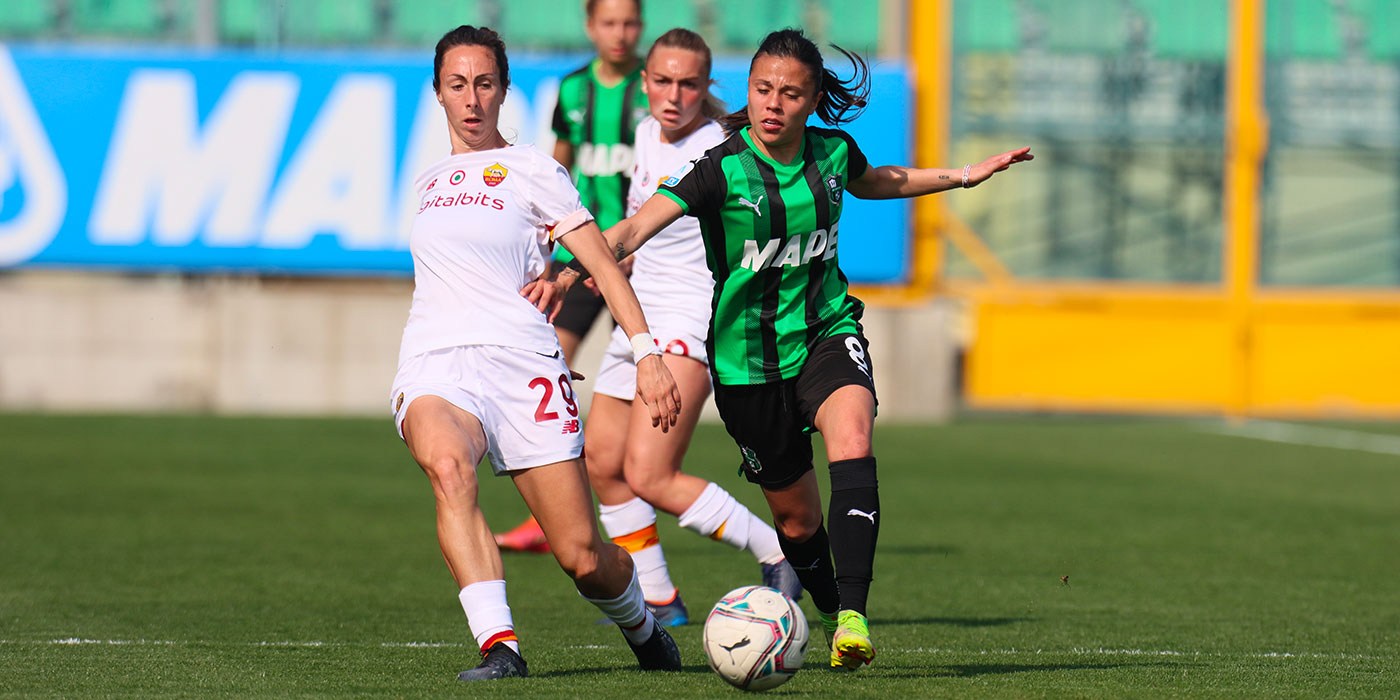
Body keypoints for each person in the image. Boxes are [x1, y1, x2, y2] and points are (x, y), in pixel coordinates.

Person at [530, 29, 1033, 671]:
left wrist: (966, 175)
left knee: (852, 436)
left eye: (790, 94)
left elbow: (875, 180)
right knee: (797, 526)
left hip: (826, 331)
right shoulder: (720, 169)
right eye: (762, 89)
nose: (773, 104)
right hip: (746, 366)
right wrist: (575, 266)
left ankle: (853, 615)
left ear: (813, 99)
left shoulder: (831, 151)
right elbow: (633, 228)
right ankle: (826, 608)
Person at [391, 25, 683, 681]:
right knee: (447, 467)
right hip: (437, 360)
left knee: (582, 556)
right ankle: (500, 647)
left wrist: (648, 354)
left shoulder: (533, 171)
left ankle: (641, 620)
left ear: (503, 91)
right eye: (458, 84)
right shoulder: (428, 181)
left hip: (523, 366)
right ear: (438, 92)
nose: (472, 99)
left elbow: (604, 267)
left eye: (485, 84)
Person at [567, 28, 802, 628]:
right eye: (663, 81)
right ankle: (660, 597)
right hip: (637, 320)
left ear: (707, 87)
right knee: (602, 463)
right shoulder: (646, 133)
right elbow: (643, 221)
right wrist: (617, 259)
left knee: (650, 473)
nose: (674, 95)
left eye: (689, 83)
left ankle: (777, 550)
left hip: (689, 324)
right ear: (644, 82)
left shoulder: (723, 147)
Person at [495, 0, 649, 554]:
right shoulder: (574, 90)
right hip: (580, 260)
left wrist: (639, 240)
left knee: (638, 401)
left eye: (630, 22)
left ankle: (633, 500)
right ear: (590, 27)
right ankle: (551, 513)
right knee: (545, 366)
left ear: (642, 26)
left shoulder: (658, 87)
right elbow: (553, 171)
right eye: (609, 22)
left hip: (640, 260)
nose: (620, 33)